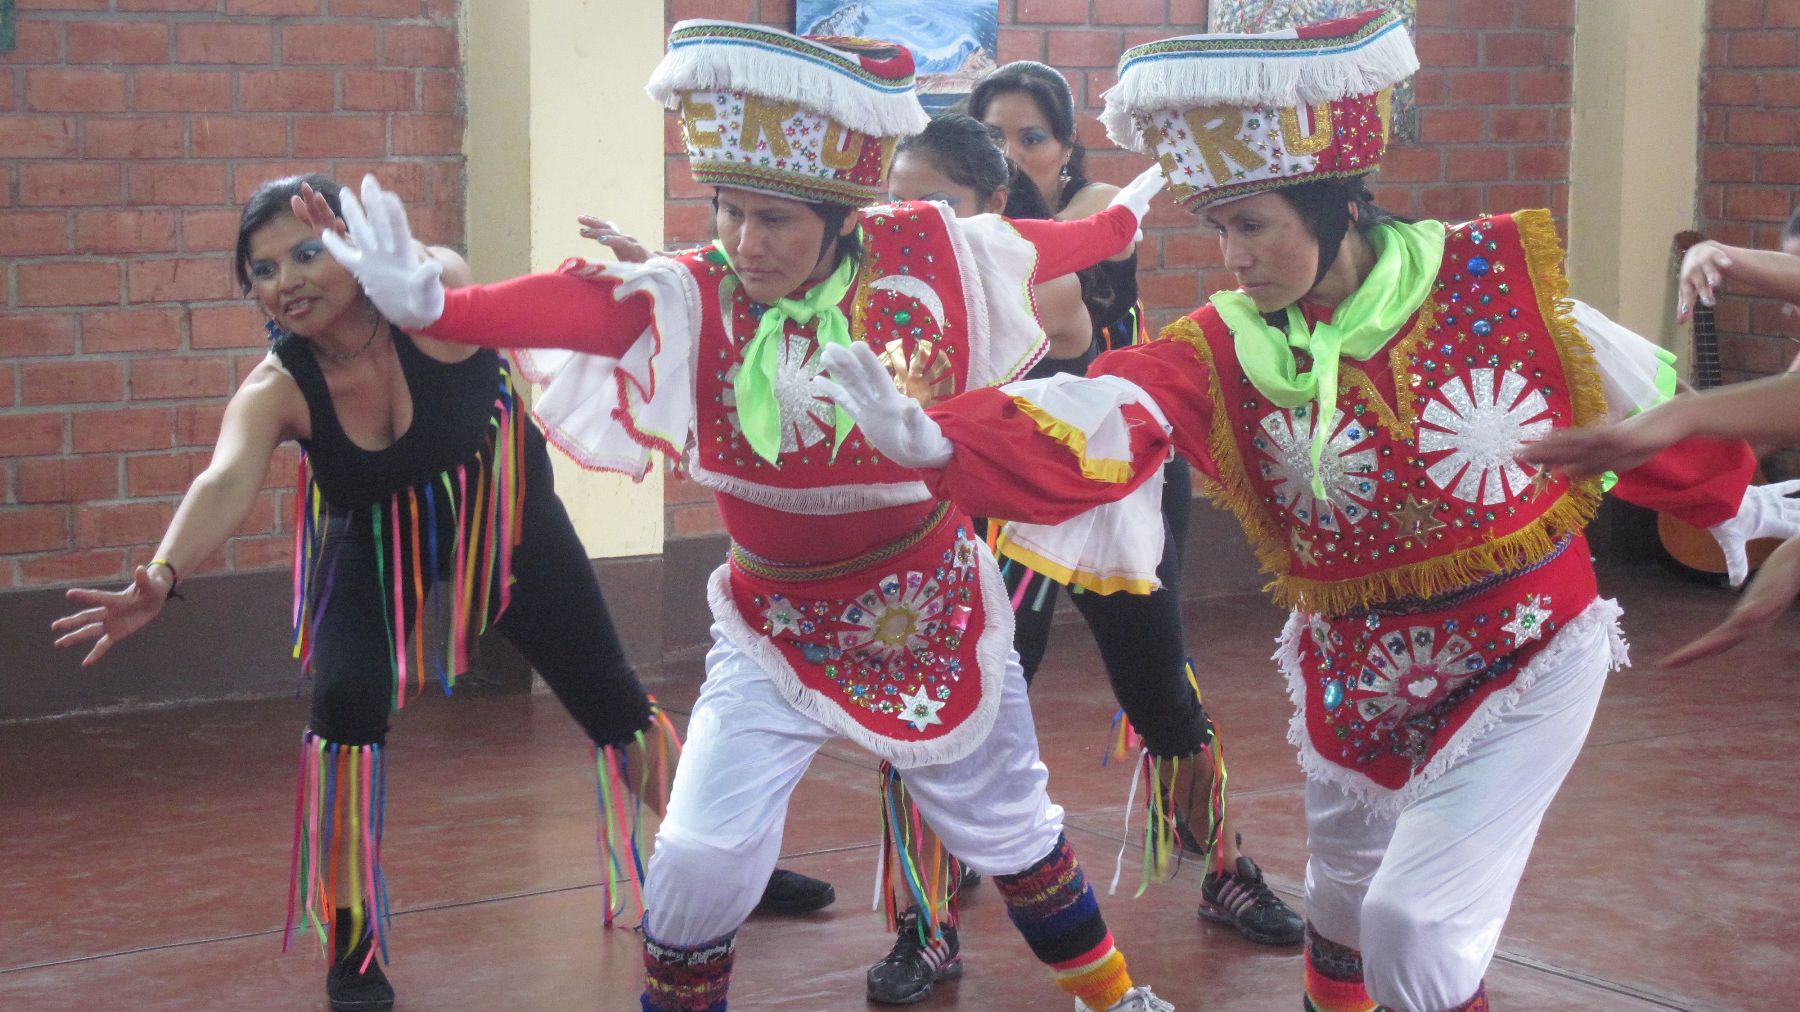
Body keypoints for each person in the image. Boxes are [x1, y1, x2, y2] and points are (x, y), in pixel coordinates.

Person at [811, 12, 1800, 1011]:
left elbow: (1638, 403)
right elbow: (1106, 408)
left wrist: (1749, 503)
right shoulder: (1223, 347)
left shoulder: (1486, 281)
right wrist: (942, 440)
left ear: (1337, 207)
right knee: (1340, 906)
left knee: (1411, 928)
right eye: (1221, 229)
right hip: (1356, 671)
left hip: (1529, 654)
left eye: (1253, 227)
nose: (1233, 258)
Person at [320, 22, 1175, 1012]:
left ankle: (1116, 1000)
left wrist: (1121, 224)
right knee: (696, 857)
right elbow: (564, 308)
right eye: (729, 211)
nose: (744, 242)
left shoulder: (927, 261)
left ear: (841, 217)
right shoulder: (697, 297)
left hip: (931, 607)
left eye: (774, 219)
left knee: (1015, 831)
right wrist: (434, 308)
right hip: (774, 625)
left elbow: (1042, 243)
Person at [47, 174, 826, 1012]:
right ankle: (353, 944)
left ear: (358, 247)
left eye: (309, 252)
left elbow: (441, 268)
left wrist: (393, 258)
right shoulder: (279, 386)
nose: (289, 281)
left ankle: (727, 864)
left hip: (505, 518)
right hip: (373, 541)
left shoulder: (437, 301)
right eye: (265, 269)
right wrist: (163, 574)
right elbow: (224, 480)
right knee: (344, 712)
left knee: (610, 697)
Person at [969, 59, 1303, 946]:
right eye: (992, 139)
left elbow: (1054, 304)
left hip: (1119, 478)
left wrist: (970, 212)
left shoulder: (1093, 209)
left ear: (1067, 145)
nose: (1013, 155)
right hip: (1004, 482)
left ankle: (1223, 869)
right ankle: (924, 917)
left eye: (1030, 138)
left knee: (1158, 680)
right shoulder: (964, 238)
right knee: (977, 685)